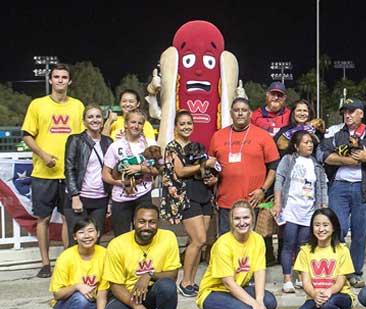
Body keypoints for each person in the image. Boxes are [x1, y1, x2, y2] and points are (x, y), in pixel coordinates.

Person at [22, 63, 84, 278]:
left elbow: (83, 139)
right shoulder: (37, 105)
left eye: (64, 77)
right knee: (44, 219)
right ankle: (46, 263)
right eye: (56, 76)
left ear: (69, 81)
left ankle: (68, 262)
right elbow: (27, 135)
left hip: (69, 175)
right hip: (43, 174)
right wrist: (44, 155)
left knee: (69, 219)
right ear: (50, 80)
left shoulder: (77, 106)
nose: (60, 80)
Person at [320, 97, 366, 288]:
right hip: (339, 186)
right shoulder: (334, 132)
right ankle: (336, 269)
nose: (347, 115)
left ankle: (354, 272)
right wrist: (350, 161)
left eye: (351, 111)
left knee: (360, 233)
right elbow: (324, 156)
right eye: (345, 111)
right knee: (338, 229)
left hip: (363, 188)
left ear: (361, 113)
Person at [197, 200, 277, 309]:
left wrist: (259, 301)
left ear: (252, 218)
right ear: (231, 221)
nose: (242, 222)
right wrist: (254, 304)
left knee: (269, 302)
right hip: (213, 293)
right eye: (237, 218)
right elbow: (228, 283)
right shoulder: (223, 244)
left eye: (246, 217)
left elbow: (259, 271)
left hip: (239, 288)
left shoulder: (257, 239)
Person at [102, 204, 181, 309]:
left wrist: (149, 274)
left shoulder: (168, 238)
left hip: (151, 293)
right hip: (125, 295)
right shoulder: (117, 244)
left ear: (158, 223)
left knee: (167, 286)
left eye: (152, 222)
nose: (146, 227)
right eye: (142, 221)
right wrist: (137, 307)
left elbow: (173, 274)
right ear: (133, 222)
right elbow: (115, 285)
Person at [160, 110, 219, 297]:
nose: (186, 127)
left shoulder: (197, 146)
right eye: (182, 124)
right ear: (176, 127)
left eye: (189, 123)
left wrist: (211, 176)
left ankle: (192, 281)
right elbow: (180, 171)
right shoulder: (172, 147)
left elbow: (204, 171)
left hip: (203, 195)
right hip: (186, 197)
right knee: (198, 239)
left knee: (200, 243)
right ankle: (184, 281)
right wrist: (204, 165)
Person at [209, 98, 279, 236]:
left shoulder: (263, 136)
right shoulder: (218, 136)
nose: (240, 113)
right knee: (226, 243)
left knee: (250, 245)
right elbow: (212, 166)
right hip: (226, 202)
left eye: (244, 110)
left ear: (250, 114)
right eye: (236, 110)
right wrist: (212, 179)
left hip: (253, 202)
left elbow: (274, 167)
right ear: (231, 113)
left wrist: (263, 190)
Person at [273, 131, 328, 293]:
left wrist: (323, 204)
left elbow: (322, 186)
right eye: (305, 142)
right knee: (288, 243)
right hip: (290, 208)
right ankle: (287, 278)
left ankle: (300, 276)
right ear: (296, 146)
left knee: (303, 245)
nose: (309, 145)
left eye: (311, 142)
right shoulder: (288, 160)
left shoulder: (316, 165)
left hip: (309, 210)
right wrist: (277, 203)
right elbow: (279, 180)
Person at [291, 208, 354, 309]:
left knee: (327, 304)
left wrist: (329, 292)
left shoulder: (342, 250)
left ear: (333, 227)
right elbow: (306, 282)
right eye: (317, 225)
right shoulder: (305, 251)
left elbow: (340, 282)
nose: (321, 229)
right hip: (315, 298)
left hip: (339, 296)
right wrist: (314, 294)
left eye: (325, 225)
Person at [49, 218, 108, 309]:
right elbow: (57, 294)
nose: (87, 236)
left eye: (91, 231)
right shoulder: (66, 257)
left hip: (93, 303)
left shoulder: (104, 254)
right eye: (81, 232)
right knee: (80, 298)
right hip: (67, 305)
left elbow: (103, 291)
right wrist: (77, 286)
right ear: (75, 237)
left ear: (98, 234)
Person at [102, 110, 160, 236]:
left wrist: (141, 169)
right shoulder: (115, 146)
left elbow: (159, 170)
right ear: (126, 124)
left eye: (140, 123)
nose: (136, 125)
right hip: (121, 198)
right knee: (121, 237)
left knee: (144, 234)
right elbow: (105, 174)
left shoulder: (150, 144)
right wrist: (119, 182)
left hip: (143, 196)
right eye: (133, 122)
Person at [64, 105, 113, 246]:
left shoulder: (108, 142)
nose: (95, 120)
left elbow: (111, 171)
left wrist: (109, 201)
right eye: (90, 117)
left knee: (94, 242)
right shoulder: (75, 140)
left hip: (100, 199)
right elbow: (69, 169)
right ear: (84, 121)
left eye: (98, 116)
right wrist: (75, 196)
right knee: (77, 242)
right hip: (80, 198)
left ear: (103, 121)